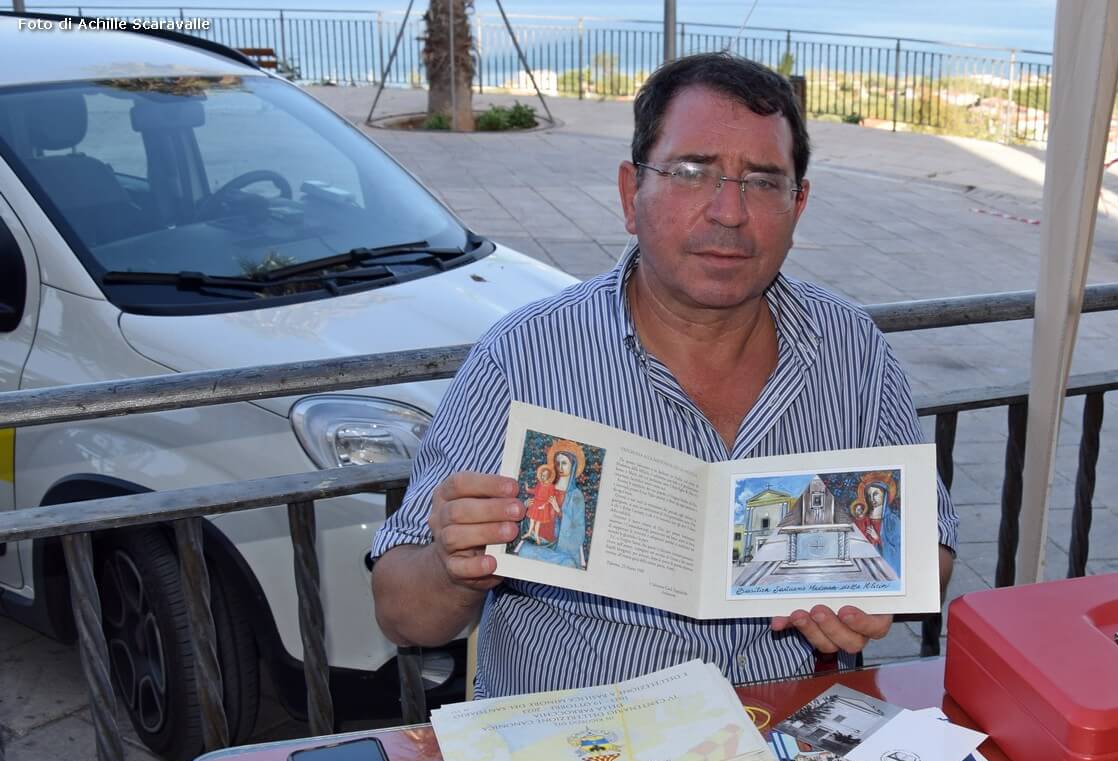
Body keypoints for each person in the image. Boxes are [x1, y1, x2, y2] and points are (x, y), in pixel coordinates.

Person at [370, 51, 957, 696]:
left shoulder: (850, 348)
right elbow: (401, 614)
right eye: (691, 173)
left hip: (790, 726)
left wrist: (877, 596)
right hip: (582, 738)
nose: (729, 212)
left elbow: (930, 551)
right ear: (631, 194)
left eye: (763, 182)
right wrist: (453, 568)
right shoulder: (523, 357)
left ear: (799, 204)